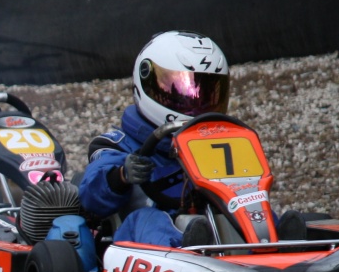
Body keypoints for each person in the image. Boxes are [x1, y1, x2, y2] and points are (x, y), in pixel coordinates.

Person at [80, 30, 233, 247]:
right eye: (184, 93)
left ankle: (281, 242)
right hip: (137, 245)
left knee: (246, 209)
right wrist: (122, 175)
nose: (197, 104)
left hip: (208, 227)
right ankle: (184, 253)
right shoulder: (117, 144)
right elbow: (91, 197)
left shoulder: (217, 146)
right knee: (151, 220)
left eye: (207, 94)